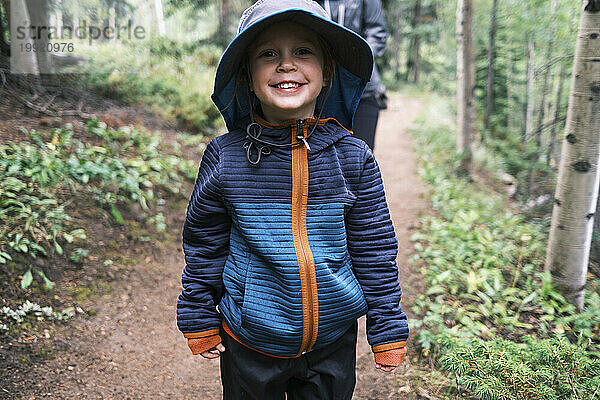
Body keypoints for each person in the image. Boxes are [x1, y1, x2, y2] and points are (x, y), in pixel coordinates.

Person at [176, 0, 408, 398]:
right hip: (250, 340)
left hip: (332, 339)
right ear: (248, 77)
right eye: (269, 54)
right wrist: (197, 312)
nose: (286, 64)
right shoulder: (226, 156)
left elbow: (374, 248)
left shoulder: (352, 157)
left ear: (327, 72)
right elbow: (204, 242)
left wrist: (386, 324)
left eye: (303, 51)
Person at [315, 0, 388, 150]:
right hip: (318, 94)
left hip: (363, 90)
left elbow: (377, 33)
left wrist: (354, 60)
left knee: (361, 154)